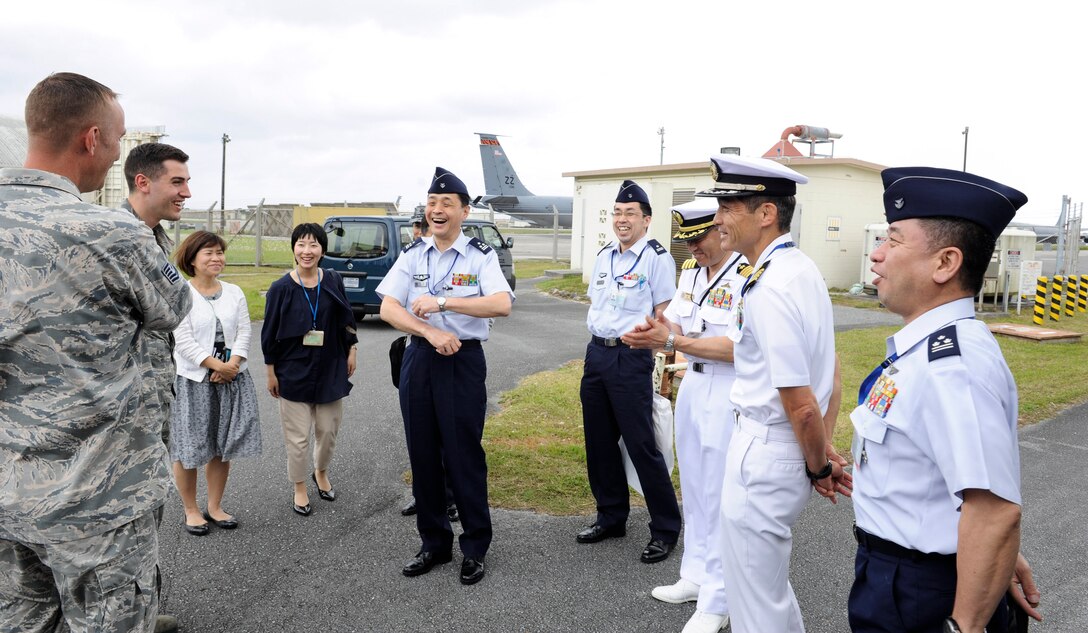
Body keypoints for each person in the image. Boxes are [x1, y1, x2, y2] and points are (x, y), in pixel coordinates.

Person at [0, 72, 192, 631]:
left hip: (9, 491)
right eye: (117, 139)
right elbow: (173, 309)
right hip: (99, 500)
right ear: (90, 139)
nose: (115, 154)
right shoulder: (113, 234)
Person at [849, 167, 1043, 633]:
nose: (876, 255)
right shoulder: (931, 348)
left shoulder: (952, 366)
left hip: (919, 591)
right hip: (901, 575)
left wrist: (965, 625)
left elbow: (995, 510)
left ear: (945, 263)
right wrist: (990, 561)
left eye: (893, 241)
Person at [700, 154, 847, 633]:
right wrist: (820, 448)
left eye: (730, 206)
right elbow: (833, 373)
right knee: (766, 592)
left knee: (754, 602)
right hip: (782, 446)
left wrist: (819, 464)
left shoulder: (772, 285)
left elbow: (801, 402)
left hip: (767, 449)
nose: (718, 218)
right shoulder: (797, 270)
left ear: (766, 214)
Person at [377, 166, 513, 586]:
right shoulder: (413, 253)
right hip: (420, 358)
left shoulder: (479, 255)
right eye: (432, 203)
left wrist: (444, 303)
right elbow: (388, 307)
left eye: (446, 204)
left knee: (462, 456)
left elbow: (500, 304)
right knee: (422, 454)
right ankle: (433, 543)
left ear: (464, 211)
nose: (437, 210)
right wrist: (429, 331)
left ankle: (474, 546)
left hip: (462, 363)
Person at [622, 198, 747, 633]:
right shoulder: (692, 274)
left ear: (722, 230)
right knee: (693, 486)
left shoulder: (747, 277)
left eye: (701, 238)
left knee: (718, 493)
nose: (694, 249)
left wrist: (673, 340)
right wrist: (647, 333)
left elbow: (738, 347)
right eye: (687, 241)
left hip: (728, 388)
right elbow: (672, 320)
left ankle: (719, 599)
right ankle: (695, 576)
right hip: (693, 385)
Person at [577, 179, 682, 564]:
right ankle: (611, 516)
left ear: (646, 220)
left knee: (641, 445)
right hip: (597, 355)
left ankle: (666, 528)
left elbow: (664, 314)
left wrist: (656, 348)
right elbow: (600, 305)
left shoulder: (657, 258)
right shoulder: (605, 254)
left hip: (630, 357)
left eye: (630, 214)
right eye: (618, 213)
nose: (622, 220)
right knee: (599, 442)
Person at [123, 140, 192, 633]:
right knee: (126, 520)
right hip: (123, 409)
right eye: (177, 181)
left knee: (148, 515)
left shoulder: (154, 237)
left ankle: (141, 613)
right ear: (142, 182)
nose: (186, 192)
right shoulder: (123, 238)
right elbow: (176, 304)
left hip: (150, 399)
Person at [262, 223, 358, 516]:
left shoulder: (332, 280)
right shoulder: (281, 288)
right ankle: (300, 486)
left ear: (322, 250)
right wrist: (270, 371)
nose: (307, 251)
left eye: (313, 245)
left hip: (330, 366)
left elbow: (346, 317)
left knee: (328, 431)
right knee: (298, 437)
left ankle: (321, 471)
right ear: (293, 249)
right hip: (293, 370)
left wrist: (352, 348)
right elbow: (268, 333)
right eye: (301, 244)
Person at [170, 231, 263, 535]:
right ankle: (191, 510)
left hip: (230, 379)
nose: (216, 258)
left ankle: (215, 506)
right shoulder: (181, 293)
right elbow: (182, 340)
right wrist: (215, 365)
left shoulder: (234, 291)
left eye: (220, 252)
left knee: (221, 445)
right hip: (195, 380)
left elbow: (245, 332)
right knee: (190, 446)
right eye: (208, 253)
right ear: (192, 259)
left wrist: (232, 366)